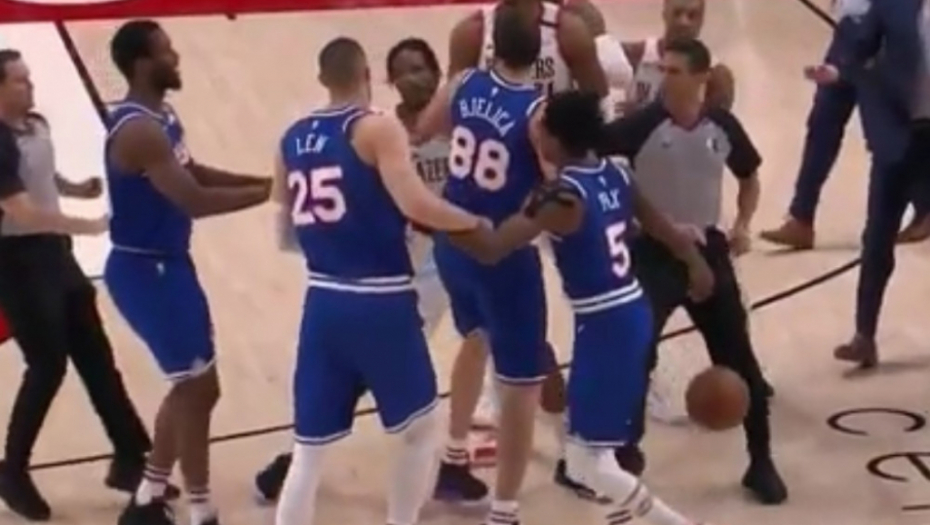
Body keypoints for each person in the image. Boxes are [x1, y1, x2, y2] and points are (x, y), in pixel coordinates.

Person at [452, 88, 719, 525]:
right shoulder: (617, 173)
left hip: (607, 324)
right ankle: (624, 517)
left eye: (542, 130)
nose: (536, 136)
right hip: (627, 311)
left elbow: (493, 247)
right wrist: (695, 263)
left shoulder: (560, 198)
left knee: (584, 465)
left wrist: (437, 215)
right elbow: (661, 227)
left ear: (556, 140)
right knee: (596, 454)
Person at [252, 37, 489, 505]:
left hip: (354, 283)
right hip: (397, 277)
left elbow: (286, 231)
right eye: (401, 71)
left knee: (482, 335)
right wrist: (473, 224)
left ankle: (454, 457)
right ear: (377, 78)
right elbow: (413, 203)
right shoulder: (381, 129)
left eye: (420, 68)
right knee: (406, 411)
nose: (412, 78)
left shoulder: (296, 135)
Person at [597, 37, 787, 504]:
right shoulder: (640, 125)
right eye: (662, 69)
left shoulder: (723, 126)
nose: (665, 77)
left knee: (740, 359)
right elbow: (595, 162)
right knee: (637, 354)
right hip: (654, 253)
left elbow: (749, 176)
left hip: (709, 250)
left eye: (675, 71)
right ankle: (625, 452)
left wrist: (742, 224)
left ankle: (761, 460)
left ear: (702, 77)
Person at [104, 20, 272, 525]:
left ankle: (148, 496)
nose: (176, 57)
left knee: (194, 386)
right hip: (144, 271)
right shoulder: (138, 130)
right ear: (141, 64)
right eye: (165, 51)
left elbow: (193, 172)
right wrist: (271, 195)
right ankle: (202, 509)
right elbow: (194, 200)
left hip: (169, 264)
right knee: (197, 389)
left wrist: (267, 183)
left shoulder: (162, 116)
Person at [443, 0, 612, 495]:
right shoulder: (472, 31)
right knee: (523, 348)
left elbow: (596, 105)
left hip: (482, 213)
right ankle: (567, 455)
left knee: (485, 335)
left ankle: (457, 450)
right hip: (525, 208)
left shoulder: (570, 30)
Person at [0, 48, 173, 522]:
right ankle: (11, 471)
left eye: (28, 77)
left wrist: (75, 188)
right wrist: (88, 224)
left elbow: (38, 177)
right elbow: (20, 210)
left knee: (96, 356)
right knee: (47, 364)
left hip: (54, 255)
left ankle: (129, 457)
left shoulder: (34, 124)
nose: (30, 85)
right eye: (18, 80)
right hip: (16, 261)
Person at [415, 5, 553, 524]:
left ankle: (454, 458)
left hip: (454, 241)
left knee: (474, 337)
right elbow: (558, 186)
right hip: (503, 255)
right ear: (538, 50)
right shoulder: (537, 111)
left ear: (494, 45)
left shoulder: (463, 82)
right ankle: (505, 510)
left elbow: (425, 128)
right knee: (521, 385)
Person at [804, 0, 928, 367]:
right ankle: (864, 335)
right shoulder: (891, 5)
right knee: (876, 237)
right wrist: (837, 72)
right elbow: (860, 50)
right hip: (900, 136)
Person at [759, 0, 930, 249]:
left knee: (887, 131)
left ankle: (921, 208)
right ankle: (801, 216)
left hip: (887, 28)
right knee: (823, 121)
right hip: (850, 29)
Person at [623, 0, 734, 112]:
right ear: (665, 14)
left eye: (691, 15)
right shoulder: (636, 54)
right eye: (677, 13)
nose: (683, 22)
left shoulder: (717, 76)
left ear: (701, 21)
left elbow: (717, 121)